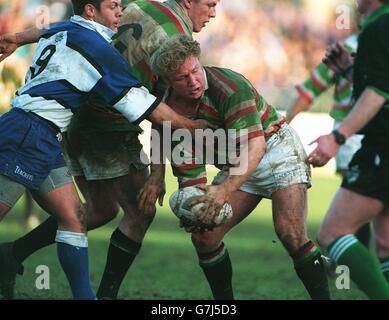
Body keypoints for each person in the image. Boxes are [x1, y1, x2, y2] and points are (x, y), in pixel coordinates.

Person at [0, 0, 219, 299]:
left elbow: (50, 28)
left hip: (48, 133)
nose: (120, 12)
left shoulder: (76, 27)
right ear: (91, 11)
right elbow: (148, 107)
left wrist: (17, 37)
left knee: (75, 217)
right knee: (127, 211)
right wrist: (193, 127)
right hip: (32, 132)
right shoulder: (102, 51)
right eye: (113, 6)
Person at [147, 34, 330, 300]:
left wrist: (223, 191)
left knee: (290, 233)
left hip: (276, 149)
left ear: (199, 62)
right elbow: (162, 135)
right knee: (204, 238)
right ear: (167, 81)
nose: (193, 81)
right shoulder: (166, 105)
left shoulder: (229, 87)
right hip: (239, 163)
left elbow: (255, 148)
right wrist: (160, 179)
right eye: (182, 78)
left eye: (195, 70)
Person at [308, 0, 389, 299]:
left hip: (383, 146)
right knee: (385, 243)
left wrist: (337, 137)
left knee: (332, 232)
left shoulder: (378, 27)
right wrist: (350, 69)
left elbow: (379, 92)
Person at [286, 34, 371, 252]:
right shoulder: (354, 47)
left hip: (350, 131)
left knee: (356, 196)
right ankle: (356, 257)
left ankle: (349, 256)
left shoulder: (347, 48)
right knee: (363, 197)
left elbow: (310, 89)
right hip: (365, 130)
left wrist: (282, 126)